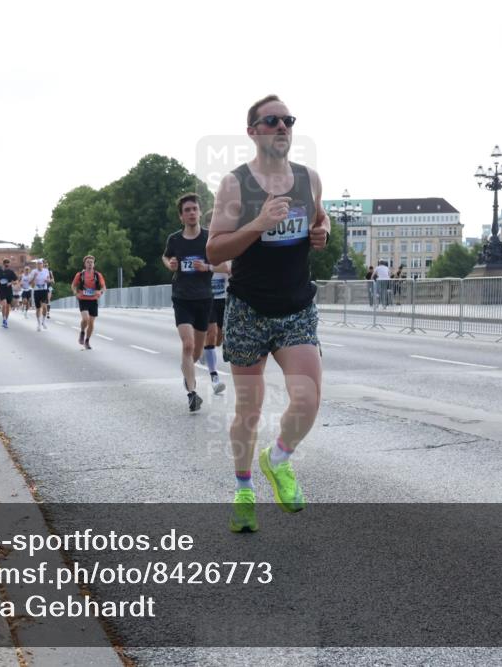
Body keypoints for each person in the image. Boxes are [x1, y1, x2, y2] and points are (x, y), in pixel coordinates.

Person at [207, 94, 330, 533]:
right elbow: (215, 248)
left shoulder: (309, 178)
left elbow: (321, 217)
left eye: (288, 120)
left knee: (309, 397)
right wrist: (257, 224)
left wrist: (322, 231)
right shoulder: (235, 185)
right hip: (248, 308)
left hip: (296, 305)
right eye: (272, 120)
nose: (282, 127)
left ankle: (277, 458)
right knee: (249, 409)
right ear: (253, 131)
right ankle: (243, 491)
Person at [163, 193, 216, 412]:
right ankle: (192, 394)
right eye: (187, 210)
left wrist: (207, 267)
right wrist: (170, 264)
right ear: (181, 216)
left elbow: (225, 265)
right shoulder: (174, 240)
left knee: (196, 351)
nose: (192, 213)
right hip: (182, 297)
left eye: (194, 209)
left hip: (204, 298)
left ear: (200, 212)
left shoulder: (209, 237)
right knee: (188, 345)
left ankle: (187, 371)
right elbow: (165, 257)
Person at [205, 259, 231, 395]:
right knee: (212, 334)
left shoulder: (226, 252)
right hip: (207, 299)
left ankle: (205, 350)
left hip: (224, 299)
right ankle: (214, 378)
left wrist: (208, 267)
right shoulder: (203, 250)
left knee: (218, 340)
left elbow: (227, 268)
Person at [71, 255, 106, 349]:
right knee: (85, 319)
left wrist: (100, 292)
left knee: (91, 323)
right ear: (85, 264)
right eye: (88, 262)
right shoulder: (80, 275)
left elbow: (103, 287)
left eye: (91, 262)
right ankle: (82, 331)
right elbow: (73, 285)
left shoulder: (97, 275)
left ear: (94, 264)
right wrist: (75, 293)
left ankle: (87, 341)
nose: (90, 264)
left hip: (93, 300)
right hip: (83, 299)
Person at [28, 260, 53, 331]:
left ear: (42, 264)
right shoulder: (33, 272)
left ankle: (43, 321)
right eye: (38, 264)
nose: (39, 265)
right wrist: (34, 277)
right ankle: (38, 324)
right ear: (36, 265)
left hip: (44, 290)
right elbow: (30, 282)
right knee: (38, 308)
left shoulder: (46, 271)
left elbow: (50, 280)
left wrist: (48, 281)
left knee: (44, 307)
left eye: (40, 264)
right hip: (36, 291)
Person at [0, 258, 18, 328]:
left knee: (8, 306)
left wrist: (10, 283)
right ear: (3, 264)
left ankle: (6, 320)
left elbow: (16, 281)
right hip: (2, 290)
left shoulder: (11, 272)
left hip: (9, 291)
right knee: (4, 304)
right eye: (5, 264)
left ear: (9, 265)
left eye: (8, 264)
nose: (7, 265)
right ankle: (4, 319)